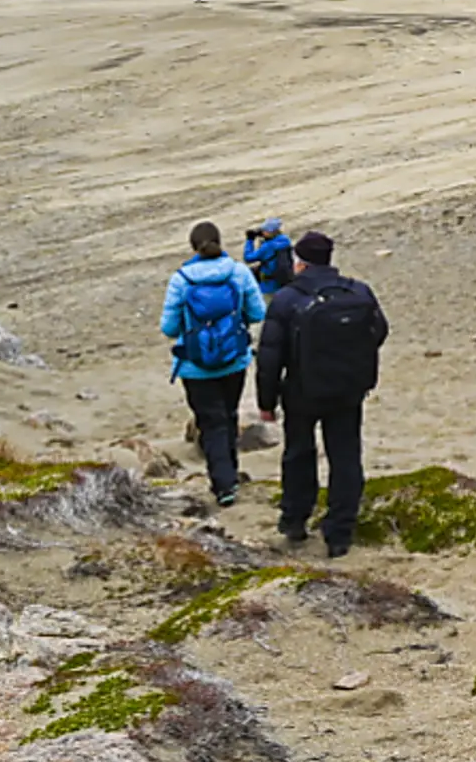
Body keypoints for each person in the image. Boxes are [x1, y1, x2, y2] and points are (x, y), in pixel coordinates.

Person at [255, 232, 388, 557]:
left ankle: (295, 520)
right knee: (345, 457)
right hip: (348, 387)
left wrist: (266, 402)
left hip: (303, 390)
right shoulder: (358, 291)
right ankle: (340, 532)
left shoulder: (286, 300)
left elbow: (270, 355)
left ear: (300, 263)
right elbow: (379, 331)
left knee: (299, 453)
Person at [160, 220, 266, 507]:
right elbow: (257, 313)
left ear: (193, 246)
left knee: (211, 422)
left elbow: (169, 328)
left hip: (195, 365)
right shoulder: (238, 272)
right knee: (228, 415)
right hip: (234, 360)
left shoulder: (181, 279)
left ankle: (223, 483)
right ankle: (229, 473)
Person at [243, 217, 295, 300]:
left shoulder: (267, 246)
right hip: (282, 281)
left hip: (268, 286)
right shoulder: (285, 240)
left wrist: (250, 240)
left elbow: (248, 258)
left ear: (269, 232)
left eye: (264, 230)